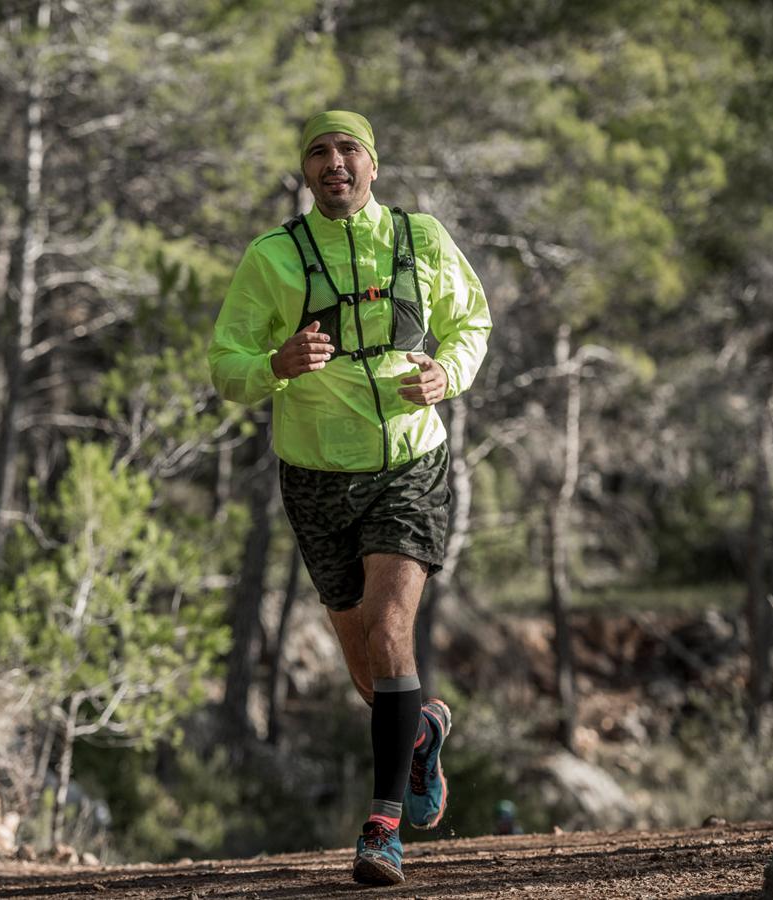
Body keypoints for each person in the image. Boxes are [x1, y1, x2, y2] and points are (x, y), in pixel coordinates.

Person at [208, 110, 491, 886]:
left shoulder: (420, 238)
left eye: (348, 151)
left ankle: (382, 828)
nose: (334, 163)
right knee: (367, 665)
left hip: (409, 460)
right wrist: (277, 361)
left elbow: (471, 320)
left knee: (391, 622)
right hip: (315, 473)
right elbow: (225, 364)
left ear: (374, 164)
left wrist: (447, 373)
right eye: (319, 153)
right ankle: (423, 729)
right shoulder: (272, 258)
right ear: (305, 172)